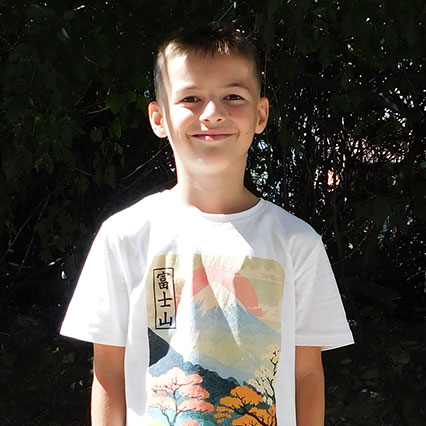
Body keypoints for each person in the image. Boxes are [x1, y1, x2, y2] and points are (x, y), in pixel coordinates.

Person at [61, 22, 354, 426]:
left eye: (233, 96)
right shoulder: (125, 236)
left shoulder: (297, 242)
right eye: (191, 98)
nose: (212, 113)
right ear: (158, 117)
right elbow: (109, 373)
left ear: (261, 114)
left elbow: (306, 376)